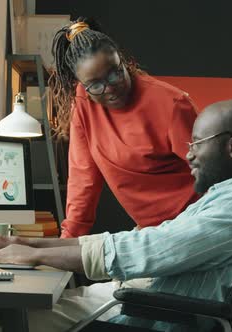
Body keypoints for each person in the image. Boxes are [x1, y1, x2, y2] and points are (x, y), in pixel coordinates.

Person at [0, 99, 232, 332]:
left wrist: (35, 255)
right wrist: (33, 247)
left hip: (149, 312)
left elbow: (153, 249)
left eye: (197, 142)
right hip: (144, 299)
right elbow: (147, 239)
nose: (189, 153)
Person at [48, 17, 199, 237]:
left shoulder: (172, 105)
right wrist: (68, 239)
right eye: (96, 85)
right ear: (82, 85)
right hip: (153, 232)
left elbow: (216, 173)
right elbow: (83, 178)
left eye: (115, 73)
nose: (110, 88)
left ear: (123, 60)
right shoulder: (83, 103)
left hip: (193, 223)